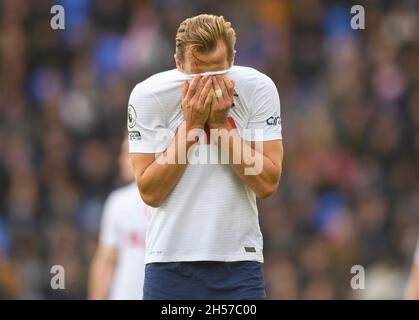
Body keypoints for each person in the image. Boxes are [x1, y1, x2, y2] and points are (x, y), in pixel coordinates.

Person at [128, 14, 283, 299]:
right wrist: (192, 126)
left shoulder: (259, 88)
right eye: (199, 75)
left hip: (239, 263)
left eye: (219, 73)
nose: (210, 84)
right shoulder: (149, 95)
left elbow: (267, 183)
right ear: (178, 65)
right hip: (168, 263)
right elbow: (150, 191)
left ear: (233, 59)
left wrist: (222, 127)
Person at [88, 137, 149, 300]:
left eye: (126, 153)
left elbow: (106, 262)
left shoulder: (172, 199)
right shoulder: (119, 201)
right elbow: (105, 261)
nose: (120, 160)